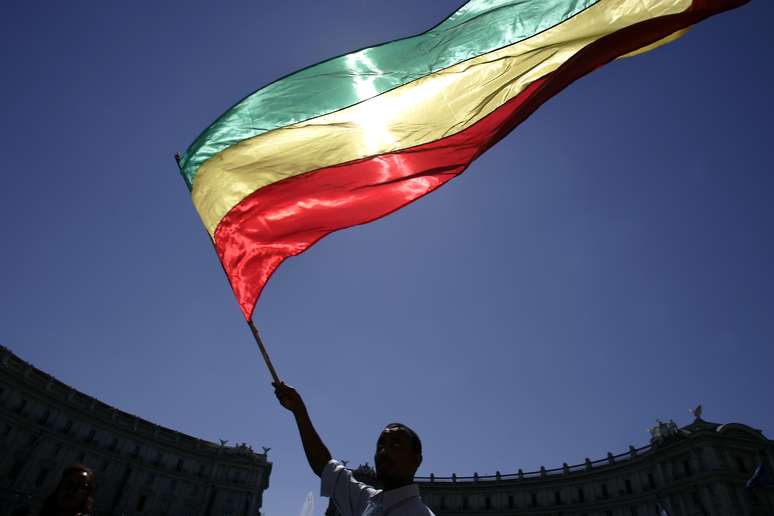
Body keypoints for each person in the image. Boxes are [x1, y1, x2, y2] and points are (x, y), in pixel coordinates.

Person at [275, 381, 434, 516]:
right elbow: (324, 466)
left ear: (416, 459)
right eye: (380, 444)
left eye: (396, 444)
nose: (384, 451)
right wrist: (299, 410)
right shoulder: (369, 501)